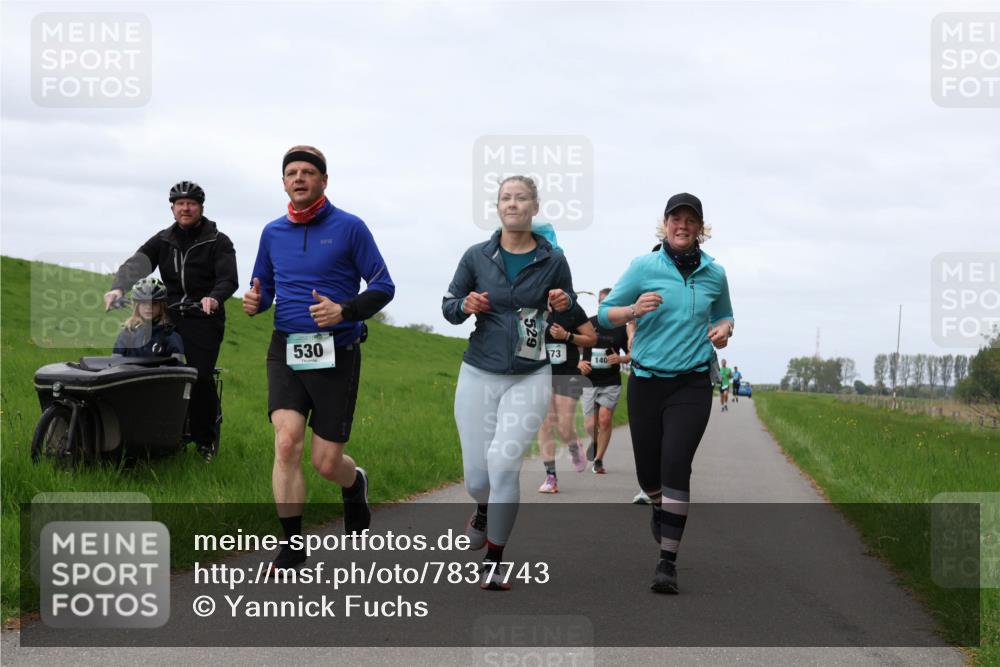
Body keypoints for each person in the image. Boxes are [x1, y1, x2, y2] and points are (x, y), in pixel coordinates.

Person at [243, 145, 395, 571]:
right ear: (284, 181)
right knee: (287, 441)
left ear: (323, 181)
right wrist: (255, 300)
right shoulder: (273, 232)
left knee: (326, 463)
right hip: (286, 348)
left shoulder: (350, 228)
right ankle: (292, 545)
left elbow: (384, 286)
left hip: (336, 352)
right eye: (291, 172)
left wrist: (344, 310)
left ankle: (354, 481)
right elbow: (264, 288)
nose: (299, 178)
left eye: (308, 172)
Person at [443, 175, 576, 590]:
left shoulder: (553, 259)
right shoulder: (476, 256)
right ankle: (481, 509)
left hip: (529, 374)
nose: (513, 204)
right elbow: (448, 307)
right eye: (506, 198)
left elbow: (568, 304)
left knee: (503, 464)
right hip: (479, 370)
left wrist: (562, 302)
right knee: (476, 477)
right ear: (497, 207)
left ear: (535, 208)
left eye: (521, 198)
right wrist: (465, 304)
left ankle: (495, 560)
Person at [598, 192, 733, 594]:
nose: (683, 226)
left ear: (700, 229)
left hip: (692, 382)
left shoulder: (715, 273)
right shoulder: (644, 266)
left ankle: (667, 562)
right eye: (676, 219)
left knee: (676, 462)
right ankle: (658, 503)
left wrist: (725, 330)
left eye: (691, 220)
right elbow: (606, 314)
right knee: (649, 472)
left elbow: (725, 314)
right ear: (666, 223)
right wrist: (633, 310)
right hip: (646, 381)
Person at [105, 181, 238, 461]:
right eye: (180, 204)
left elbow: (228, 278)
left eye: (191, 203)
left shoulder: (218, 241)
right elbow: (138, 262)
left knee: (198, 375)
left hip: (204, 318)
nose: (185, 208)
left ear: (201, 208)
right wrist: (119, 287)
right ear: (172, 208)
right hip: (169, 314)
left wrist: (213, 298)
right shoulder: (163, 240)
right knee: (144, 371)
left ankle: (205, 440)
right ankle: (149, 433)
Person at [537, 299, 597, 493]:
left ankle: (573, 444)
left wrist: (567, 336)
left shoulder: (571, 309)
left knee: (564, 427)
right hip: (540, 374)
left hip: (567, 374)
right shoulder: (531, 306)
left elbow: (591, 338)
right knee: (546, 423)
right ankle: (551, 477)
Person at [579, 288, 630, 475]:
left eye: (609, 302)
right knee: (590, 425)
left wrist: (621, 359)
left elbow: (632, 353)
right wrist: (579, 362)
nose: (605, 305)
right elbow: (571, 345)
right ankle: (594, 441)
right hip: (589, 380)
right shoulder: (588, 323)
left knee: (605, 419)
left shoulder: (622, 328)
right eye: (602, 302)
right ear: (598, 304)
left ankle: (598, 460)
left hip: (611, 380)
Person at [112, 278, 185, 358]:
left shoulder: (171, 335)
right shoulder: (127, 334)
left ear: (162, 306)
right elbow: (115, 364)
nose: (149, 307)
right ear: (137, 306)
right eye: (144, 303)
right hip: (131, 370)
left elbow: (176, 365)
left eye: (154, 303)